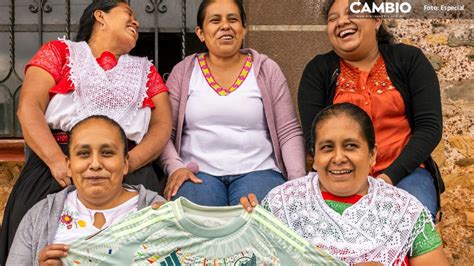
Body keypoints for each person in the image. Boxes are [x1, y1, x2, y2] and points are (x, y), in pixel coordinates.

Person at [0, 0, 171, 262]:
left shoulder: (146, 70)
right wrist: (58, 162)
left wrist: (130, 163)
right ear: (100, 16)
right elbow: (29, 107)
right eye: (129, 14)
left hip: (131, 169)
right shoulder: (59, 52)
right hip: (56, 168)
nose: (136, 22)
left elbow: (161, 125)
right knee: (35, 240)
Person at [241, 103, 450, 266]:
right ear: (314, 156)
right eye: (327, 147)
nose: (338, 157)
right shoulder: (282, 204)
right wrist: (245, 229)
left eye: (351, 146)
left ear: (372, 155)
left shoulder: (404, 210)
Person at [297, 0, 443, 222]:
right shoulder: (318, 71)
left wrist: (388, 178)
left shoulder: (409, 60)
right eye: (332, 18)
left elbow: (429, 128)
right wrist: (349, 179)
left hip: (405, 172)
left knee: (414, 219)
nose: (342, 21)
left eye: (352, 13)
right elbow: (313, 136)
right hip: (341, 173)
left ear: (376, 20)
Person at [159, 0, 305, 206]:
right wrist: (175, 168)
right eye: (215, 20)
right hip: (197, 173)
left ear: (243, 29)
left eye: (233, 19)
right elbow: (164, 131)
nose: (225, 26)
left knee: (258, 223)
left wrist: (297, 183)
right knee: (200, 223)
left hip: (259, 171)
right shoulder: (183, 72)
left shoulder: (266, 69)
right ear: (201, 33)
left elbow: (288, 131)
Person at [6, 115, 166, 265]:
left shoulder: (157, 212)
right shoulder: (40, 216)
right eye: (83, 154)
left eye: (107, 153)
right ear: (69, 166)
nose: (95, 164)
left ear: (125, 164)